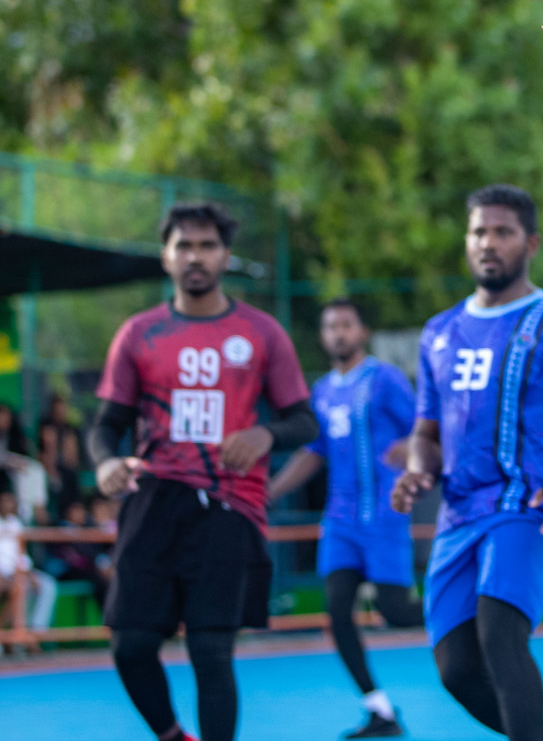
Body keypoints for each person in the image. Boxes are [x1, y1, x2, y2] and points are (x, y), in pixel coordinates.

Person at [390, 185, 543, 741]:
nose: (488, 243)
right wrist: (416, 468)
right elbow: (426, 433)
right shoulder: (439, 333)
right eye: (479, 231)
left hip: (529, 507)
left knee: (500, 635)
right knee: (456, 672)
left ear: (531, 243)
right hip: (458, 514)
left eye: (502, 232)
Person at [88, 202, 318, 741]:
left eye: (207, 245)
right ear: (166, 257)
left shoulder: (261, 333)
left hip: (229, 506)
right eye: (184, 246)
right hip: (154, 500)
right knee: (130, 644)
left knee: (211, 649)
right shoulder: (138, 334)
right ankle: (173, 735)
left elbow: (304, 421)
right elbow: (106, 424)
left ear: (225, 256)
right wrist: (104, 463)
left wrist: (266, 435)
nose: (196, 256)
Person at [268, 298, 422, 739]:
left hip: (385, 516)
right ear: (322, 336)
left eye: (346, 325)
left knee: (396, 611)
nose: (338, 333)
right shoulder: (321, 391)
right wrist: (272, 491)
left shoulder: (385, 379)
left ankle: (466, 612)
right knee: (337, 610)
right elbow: (313, 452)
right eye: (331, 326)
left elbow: (422, 430)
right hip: (339, 522)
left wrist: (410, 451)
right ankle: (379, 709)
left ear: (362, 332)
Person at [0, 488, 58, 640]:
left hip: (18, 572)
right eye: (6, 500)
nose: (9, 504)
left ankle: (34, 635)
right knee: (19, 588)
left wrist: (27, 571)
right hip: (4, 574)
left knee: (47, 585)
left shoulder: (15, 522)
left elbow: (22, 554)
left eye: (11, 500)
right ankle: (11, 639)